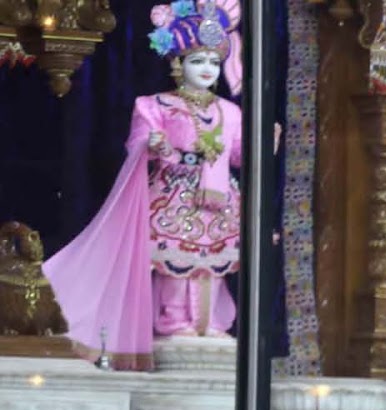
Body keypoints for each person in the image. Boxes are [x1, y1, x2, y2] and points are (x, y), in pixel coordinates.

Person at [42, 0, 245, 370]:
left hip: (218, 200)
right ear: (177, 64)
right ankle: (175, 321)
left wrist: (265, 142)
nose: (207, 69)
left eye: (214, 62)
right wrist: (155, 145)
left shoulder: (230, 112)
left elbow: (237, 155)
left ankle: (211, 324)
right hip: (173, 194)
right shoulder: (156, 104)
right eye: (197, 60)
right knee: (175, 261)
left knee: (213, 263)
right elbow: (137, 142)